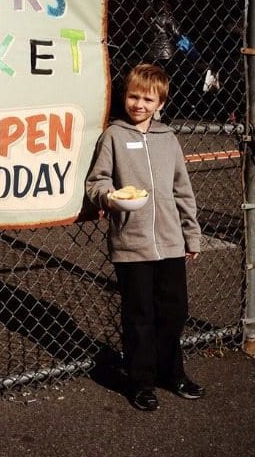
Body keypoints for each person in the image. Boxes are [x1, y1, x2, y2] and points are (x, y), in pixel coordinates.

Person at [85, 64, 204, 412]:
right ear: (125, 97)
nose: (139, 103)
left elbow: (183, 191)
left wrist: (191, 235)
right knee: (139, 316)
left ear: (160, 103)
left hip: (170, 242)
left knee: (175, 311)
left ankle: (172, 372)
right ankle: (141, 380)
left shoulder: (168, 139)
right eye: (133, 96)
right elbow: (96, 182)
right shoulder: (113, 136)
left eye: (147, 98)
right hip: (131, 243)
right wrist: (110, 197)